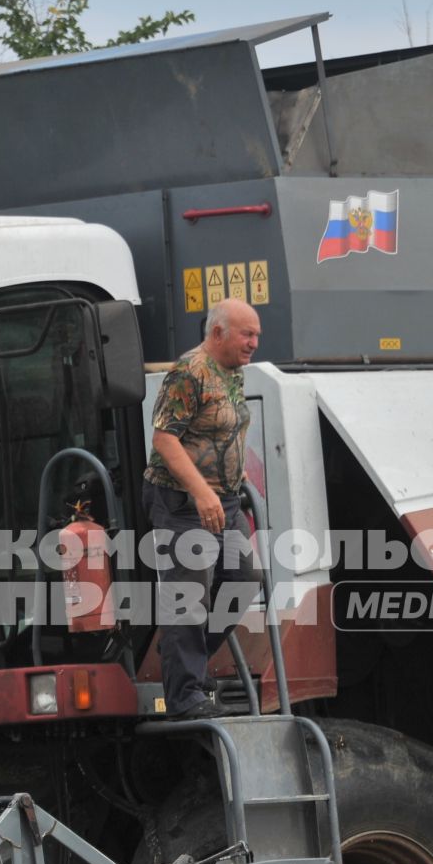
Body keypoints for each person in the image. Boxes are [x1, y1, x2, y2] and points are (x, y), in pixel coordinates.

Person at [142, 298, 261, 719]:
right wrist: (202, 491)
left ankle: (182, 654)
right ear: (218, 333)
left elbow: (221, 428)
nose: (254, 343)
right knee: (188, 596)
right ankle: (184, 696)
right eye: (247, 334)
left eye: (256, 335)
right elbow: (164, 440)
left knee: (244, 579)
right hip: (182, 500)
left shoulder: (233, 373)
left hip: (225, 498)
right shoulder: (189, 371)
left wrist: (236, 472)